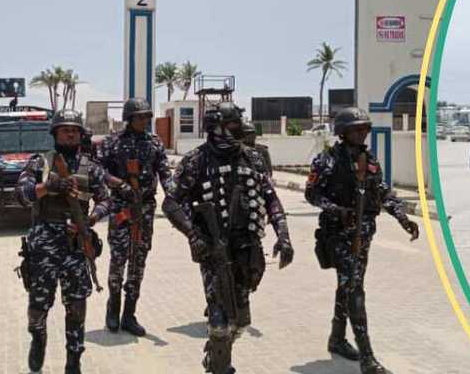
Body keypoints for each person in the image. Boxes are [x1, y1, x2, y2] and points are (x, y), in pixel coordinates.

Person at [162, 102, 294, 374]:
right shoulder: (196, 160)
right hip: (213, 249)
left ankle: (216, 354)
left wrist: (283, 234)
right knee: (221, 321)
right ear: (217, 127)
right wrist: (192, 234)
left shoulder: (253, 157)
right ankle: (221, 366)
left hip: (247, 249)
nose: (238, 129)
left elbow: (271, 198)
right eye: (232, 124)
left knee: (241, 320)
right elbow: (171, 204)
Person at [305, 107, 420, 374]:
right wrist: (337, 211)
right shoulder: (326, 161)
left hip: (363, 235)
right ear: (343, 132)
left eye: (364, 128)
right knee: (354, 290)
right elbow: (312, 194)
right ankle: (367, 357)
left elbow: (381, 192)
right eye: (357, 129)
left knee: (347, 285)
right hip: (338, 234)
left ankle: (336, 339)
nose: (362, 133)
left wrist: (402, 218)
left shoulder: (369, 161)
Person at [16, 110, 112, 374]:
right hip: (44, 247)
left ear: (81, 135)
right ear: (55, 134)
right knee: (38, 306)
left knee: (77, 306)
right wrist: (48, 186)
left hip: (76, 247)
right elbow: (22, 194)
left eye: (74, 130)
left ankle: (74, 359)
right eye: (65, 130)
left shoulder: (91, 167)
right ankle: (38, 339)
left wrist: (91, 219)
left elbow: (106, 200)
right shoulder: (40, 163)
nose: (70, 133)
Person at [98, 98, 174, 336]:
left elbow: (164, 171)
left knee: (138, 263)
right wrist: (118, 184)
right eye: (140, 117)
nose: (144, 121)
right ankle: (113, 309)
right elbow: (97, 170)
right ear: (129, 118)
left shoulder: (154, 143)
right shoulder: (112, 143)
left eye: (147, 117)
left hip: (145, 211)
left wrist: (174, 193)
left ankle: (129, 314)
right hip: (121, 209)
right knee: (118, 261)